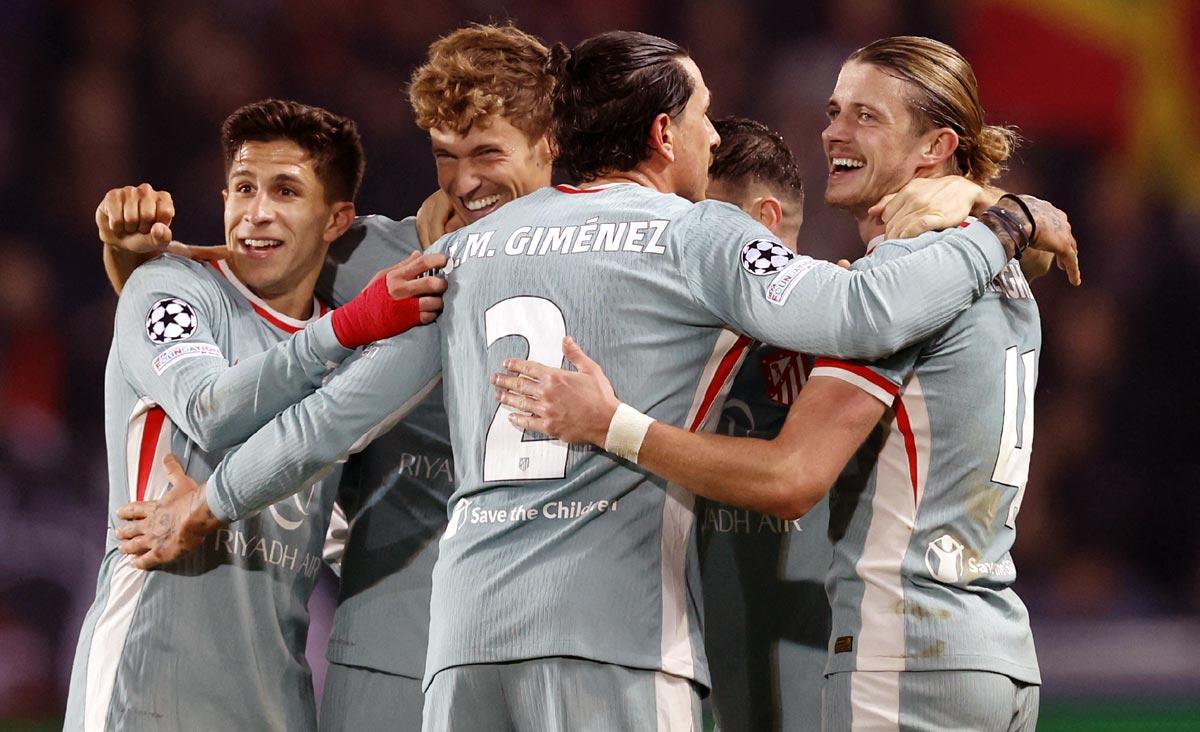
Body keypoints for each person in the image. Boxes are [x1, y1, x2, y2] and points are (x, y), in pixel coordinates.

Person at [116, 31, 1075, 731]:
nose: (714, 139)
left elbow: (338, 412)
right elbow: (860, 313)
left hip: (466, 646)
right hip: (620, 641)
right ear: (664, 133)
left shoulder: (475, 248)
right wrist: (1001, 224)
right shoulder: (701, 234)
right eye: (702, 119)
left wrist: (215, 499)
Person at [494, 36, 1060, 730]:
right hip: (996, 645)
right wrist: (1002, 211)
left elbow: (791, 475)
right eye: (833, 109)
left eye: (867, 117)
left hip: (906, 650)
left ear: (936, 147)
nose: (834, 131)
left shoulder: (902, 287)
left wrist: (610, 424)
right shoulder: (994, 268)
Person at [96, 24, 555, 731]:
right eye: (445, 155)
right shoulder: (379, 258)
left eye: (488, 152)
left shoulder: (614, 248)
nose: (465, 181)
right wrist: (133, 262)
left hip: (558, 631)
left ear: (550, 144)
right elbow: (246, 264)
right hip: (397, 643)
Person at [67, 99, 444, 731]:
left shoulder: (349, 359)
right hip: (145, 686)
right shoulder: (168, 289)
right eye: (244, 188)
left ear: (336, 220)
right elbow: (211, 410)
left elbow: (334, 516)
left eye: (286, 191)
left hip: (276, 702)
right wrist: (350, 327)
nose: (256, 213)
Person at [697, 116, 832, 730]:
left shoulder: (854, 330)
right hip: (687, 672)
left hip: (819, 674)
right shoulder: (666, 342)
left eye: (703, 224)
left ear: (764, 223)